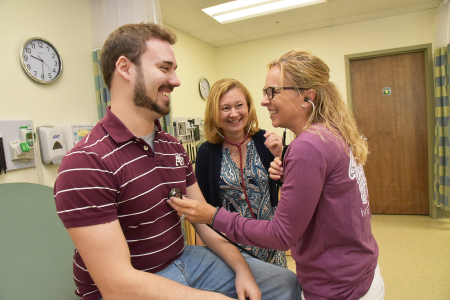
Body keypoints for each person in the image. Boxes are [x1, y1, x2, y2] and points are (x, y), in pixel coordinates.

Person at [54, 23, 301, 300]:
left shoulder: (172, 147)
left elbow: (205, 219)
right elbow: (117, 286)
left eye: (175, 70)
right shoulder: (86, 163)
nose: (176, 80)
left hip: (185, 259)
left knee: (284, 283)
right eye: (164, 68)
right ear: (125, 68)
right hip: (130, 283)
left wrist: (242, 268)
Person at [168, 50, 385, 300]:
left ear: (306, 97)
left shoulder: (307, 146)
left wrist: (213, 216)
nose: (264, 101)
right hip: (359, 273)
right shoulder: (329, 134)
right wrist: (290, 175)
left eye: (273, 92)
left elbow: (282, 235)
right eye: (264, 92)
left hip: (337, 286)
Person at [196, 78, 287, 267]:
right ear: (214, 112)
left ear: (248, 107)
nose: (234, 114)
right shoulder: (207, 152)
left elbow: (290, 186)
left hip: (270, 243)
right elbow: (202, 208)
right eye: (225, 108)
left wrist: (281, 155)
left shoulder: (267, 142)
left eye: (239, 105)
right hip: (230, 250)